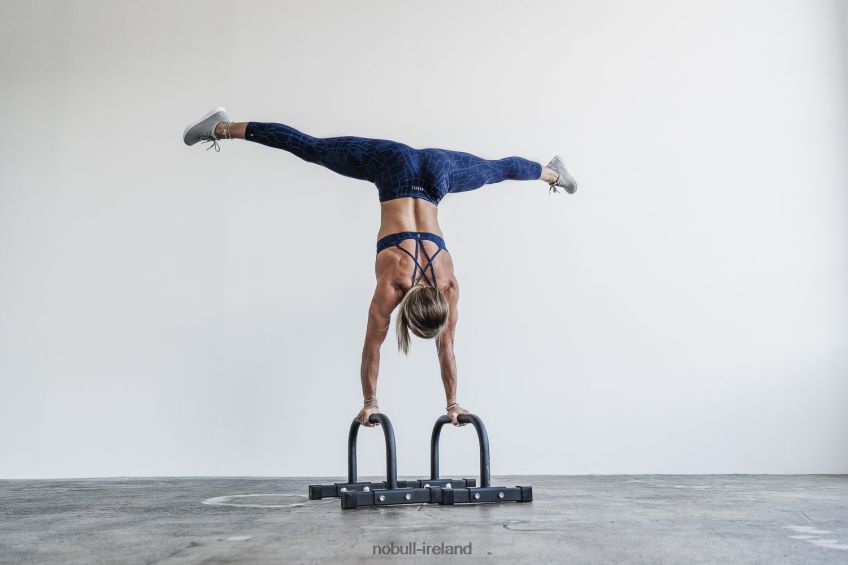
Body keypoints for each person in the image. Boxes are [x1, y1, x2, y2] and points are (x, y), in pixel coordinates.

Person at [183, 107, 577, 428]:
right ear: (407, 313)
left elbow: (446, 348)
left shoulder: (448, 286)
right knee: (312, 148)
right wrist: (371, 402)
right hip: (394, 171)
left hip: (436, 173)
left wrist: (453, 403)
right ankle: (218, 126)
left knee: (496, 170)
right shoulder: (393, 285)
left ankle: (554, 172)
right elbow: (374, 346)